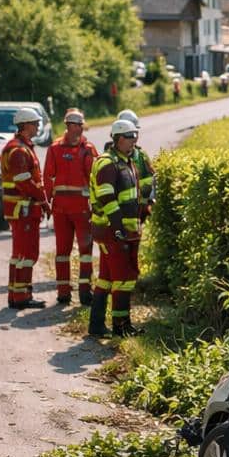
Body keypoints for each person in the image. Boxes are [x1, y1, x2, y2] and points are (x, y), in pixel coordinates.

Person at [87, 117, 151, 337]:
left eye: (135, 136)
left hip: (123, 231)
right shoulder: (108, 163)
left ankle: (96, 325)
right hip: (113, 232)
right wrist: (118, 229)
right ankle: (121, 327)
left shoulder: (126, 161)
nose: (134, 140)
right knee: (124, 279)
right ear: (118, 138)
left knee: (106, 279)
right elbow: (107, 198)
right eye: (130, 136)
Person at [42, 108, 98, 305]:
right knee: (63, 252)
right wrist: (47, 203)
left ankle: (84, 292)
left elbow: (96, 178)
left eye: (81, 126)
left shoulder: (85, 149)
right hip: (66, 210)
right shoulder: (61, 148)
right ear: (69, 126)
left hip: (79, 208)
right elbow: (47, 178)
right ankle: (63, 293)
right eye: (78, 125)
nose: (81, 129)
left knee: (84, 251)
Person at [1, 107, 49, 309]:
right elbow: (24, 182)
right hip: (24, 209)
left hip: (21, 209)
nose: (38, 127)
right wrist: (43, 200)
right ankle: (22, 297)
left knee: (19, 254)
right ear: (26, 125)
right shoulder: (19, 150)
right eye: (36, 123)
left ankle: (15, 295)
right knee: (28, 254)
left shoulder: (20, 147)